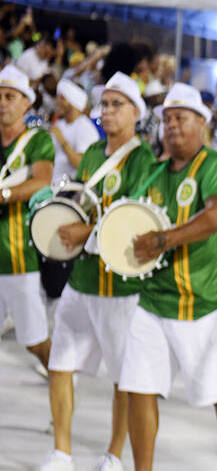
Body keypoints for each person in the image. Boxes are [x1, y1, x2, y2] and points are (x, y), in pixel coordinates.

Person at [120, 82, 217, 471]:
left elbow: (215, 216)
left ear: (202, 123)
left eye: (180, 118)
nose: (171, 126)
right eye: (166, 120)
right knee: (138, 387)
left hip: (200, 303)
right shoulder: (154, 173)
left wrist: (162, 239)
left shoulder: (214, 165)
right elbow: (130, 218)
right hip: (153, 299)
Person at [41, 72, 155, 471]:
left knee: (125, 378)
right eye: (103, 104)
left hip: (121, 286)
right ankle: (61, 453)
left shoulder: (145, 160)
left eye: (115, 104)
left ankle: (114, 454)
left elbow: (133, 220)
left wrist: (84, 229)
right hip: (84, 277)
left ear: (135, 112)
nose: (106, 111)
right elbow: (80, 205)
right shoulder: (91, 154)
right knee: (59, 361)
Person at [0, 64, 54, 370]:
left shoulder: (37, 141)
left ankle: (58, 374)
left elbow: (41, 181)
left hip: (18, 256)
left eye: (10, 96)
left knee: (33, 339)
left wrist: (4, 195)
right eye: (0, 96)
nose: (3, 102)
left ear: (26, 102)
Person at [50, 78, 99, 182]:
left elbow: (83, 166)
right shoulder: (59, 124)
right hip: (52, 186)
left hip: (71, 190)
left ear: (74, 102)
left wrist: (62, 141)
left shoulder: (85, 128)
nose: (57, 101)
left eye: (62, 98)